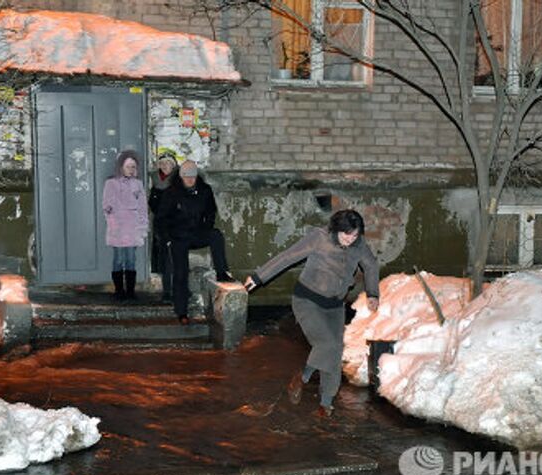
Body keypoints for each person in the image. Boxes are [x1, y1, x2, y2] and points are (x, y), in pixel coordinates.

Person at [244, 209, 380, 418]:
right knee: (327, 345)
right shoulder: (319, 237)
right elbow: (287, 257)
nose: (350, 240)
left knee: (334, 355)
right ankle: (304, 375)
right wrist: (258, 277)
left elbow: (370, 265)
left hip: (334, 305)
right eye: (346, 235)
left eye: (355, 235)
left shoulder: (358, 244)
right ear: (336, 230)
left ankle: (325, 404)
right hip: (307, 301)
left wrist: (372, 293)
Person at [157, 160, 234, 325]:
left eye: (193, 176)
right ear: (181, 177)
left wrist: (205, 227)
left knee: (216, 235)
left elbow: (211, 211)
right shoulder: (171, 193)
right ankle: (182, 312)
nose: (190, 180)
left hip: (197, 232)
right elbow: (161, 219)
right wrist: (168, 239)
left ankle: (222, 272)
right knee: (180, 273)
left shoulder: (204, 190)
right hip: (178, 237)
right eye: (187, 177)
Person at [102, 150, 148, 301]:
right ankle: (119, 291)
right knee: (118, 259)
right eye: (128, 166)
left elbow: (142, 207)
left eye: (133, 167)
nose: (131, 170)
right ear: (121, 167)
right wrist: (113, 224)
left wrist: (142, 226)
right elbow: (107, 206)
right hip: (118, 228)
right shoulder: (111, 183)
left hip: (133, 228)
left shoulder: (138, 184)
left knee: (131, 259)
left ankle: (130, 291)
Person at [148, 152, 178, 304]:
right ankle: (167, 291)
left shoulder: (179, 181)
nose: (166, 166)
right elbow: (152, 203)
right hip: (160, 225)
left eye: (169, 164)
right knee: (165, 258)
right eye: (163, 163)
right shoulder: (154, 180)